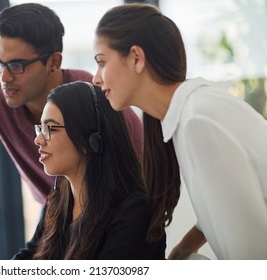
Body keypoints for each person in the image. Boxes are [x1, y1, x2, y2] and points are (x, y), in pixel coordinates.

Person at [92, 2, 267, 259]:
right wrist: (183, 250)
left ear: (137, 58)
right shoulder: (188, 115)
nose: (96, 78)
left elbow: (252, 254)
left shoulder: (197, 120)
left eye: (102, 62)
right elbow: (222, 209)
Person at [0, 3, 143, 205]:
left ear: (54, 63)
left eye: (17, 65)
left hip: (112, 222)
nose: (4, 77)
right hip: (55, 224)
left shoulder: (95, 97)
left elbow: (145, 171)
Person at [12, 81, 166, 259]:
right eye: (40, 128)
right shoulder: (59, 198)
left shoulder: (135, 212)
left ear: (88, 139)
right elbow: (29, 256)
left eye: (50, 129)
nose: (38, 140)